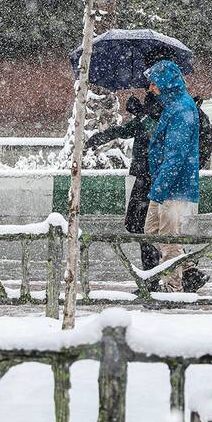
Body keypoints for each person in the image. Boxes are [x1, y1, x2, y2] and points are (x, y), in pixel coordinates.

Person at [85, 93, 163, 290]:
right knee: (137, 226)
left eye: (153, 84)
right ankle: (154, 276)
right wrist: (100, 137)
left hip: (154, 177)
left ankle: (160, 277)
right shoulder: (153, 106)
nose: (150, 88)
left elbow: (153, 132)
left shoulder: (167, 108)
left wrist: (143, 114)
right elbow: (129, 129)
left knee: (148, 229)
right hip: (145, 176)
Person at [144, 60, 201, 293]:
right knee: (152, 230)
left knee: (167, 238)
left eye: (153, 83)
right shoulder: (174, 106)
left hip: (173, 187)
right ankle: (186, 266)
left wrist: (161, 188)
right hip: (165, 184)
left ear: (166, 83)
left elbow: (176, 156)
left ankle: (173, 287)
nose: (150, 88)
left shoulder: (181, 110)